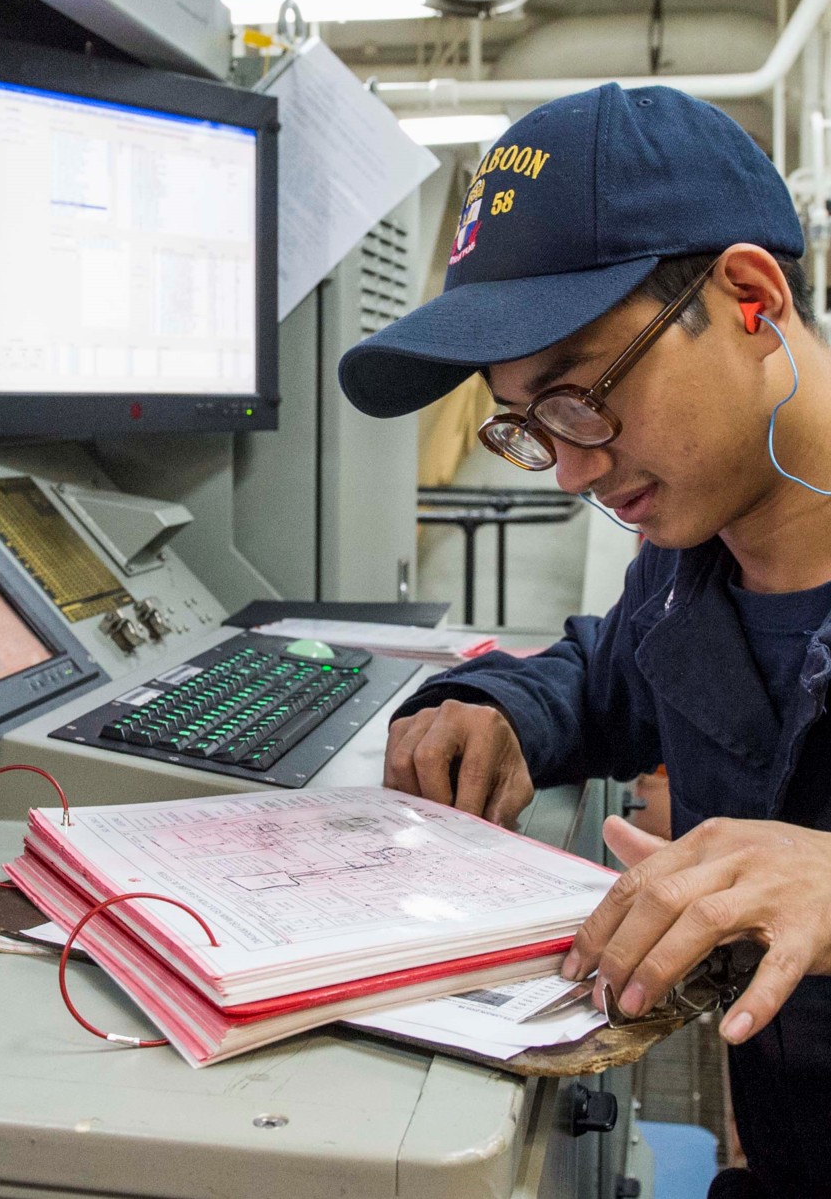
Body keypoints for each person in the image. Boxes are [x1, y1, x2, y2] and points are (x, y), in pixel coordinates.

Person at [339, 83, 831, 1196]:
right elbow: (608, 671)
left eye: (580, 397)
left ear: (749, 300)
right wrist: (502, 715)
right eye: (527, 424)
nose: (569, 468)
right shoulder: (691, 563)